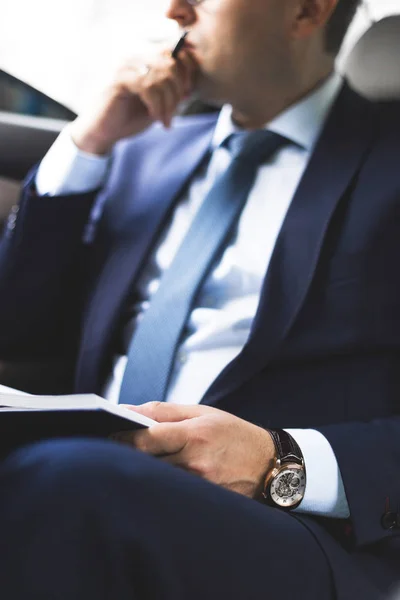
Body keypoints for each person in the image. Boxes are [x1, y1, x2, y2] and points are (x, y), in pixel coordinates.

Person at [0, 0, 399, 597]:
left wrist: (277, 459)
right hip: (82, 476)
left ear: (306, 11)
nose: (174, 8)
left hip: (294, 529)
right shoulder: (143, 150)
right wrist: (90, 140)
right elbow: (15, 331)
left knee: (69, 483)